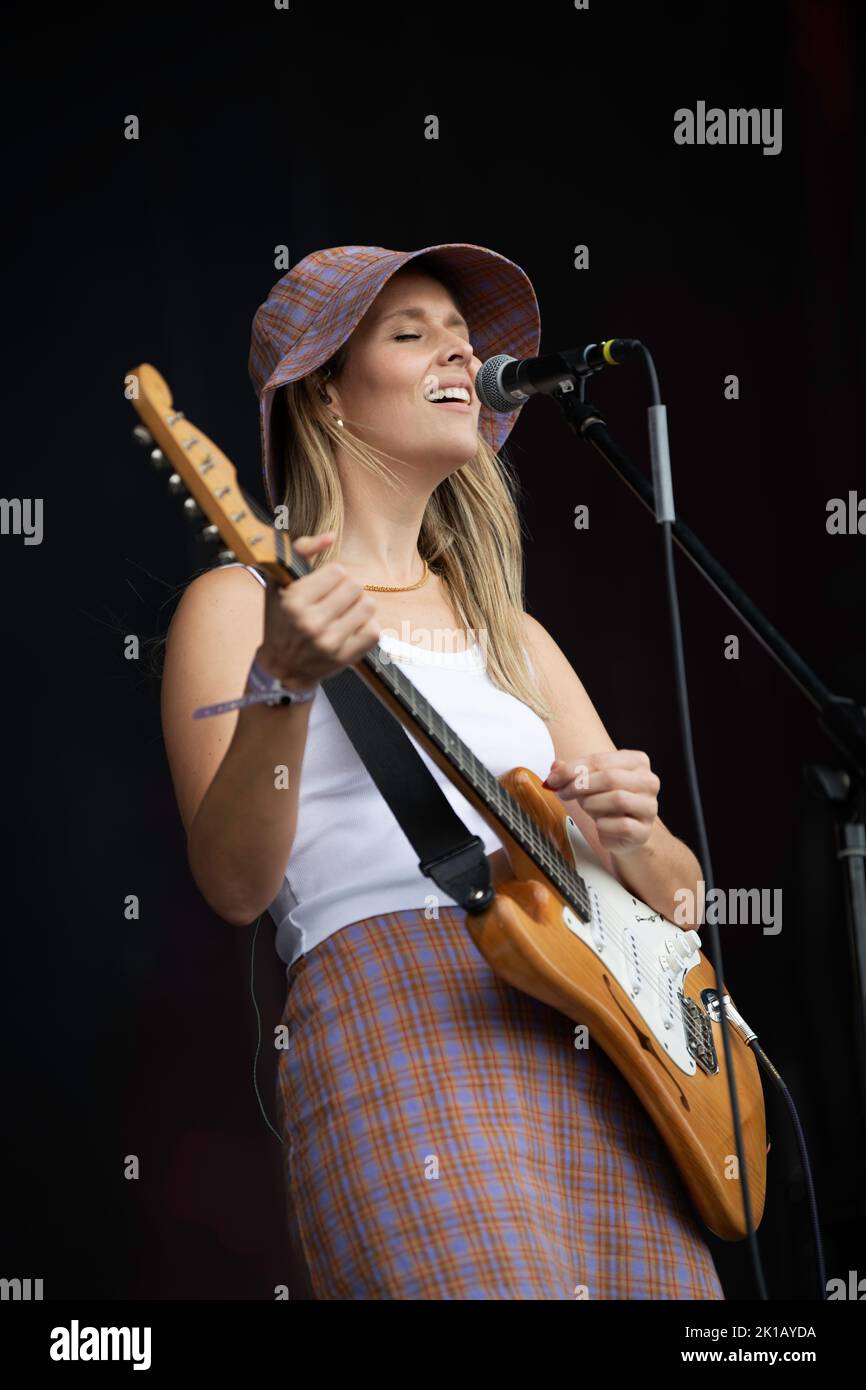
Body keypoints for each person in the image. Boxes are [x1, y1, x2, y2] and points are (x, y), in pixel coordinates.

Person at [159, 242, 724, 1300]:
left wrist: (633, 832)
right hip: (403, 1015)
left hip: (606, 1046)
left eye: (462, 339)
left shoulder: (512, 633)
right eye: (409, 333)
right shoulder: (237, 604)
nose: (460, 352)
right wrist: (282, 686)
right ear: (323, 394)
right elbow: (233, 886)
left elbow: (684, 901)